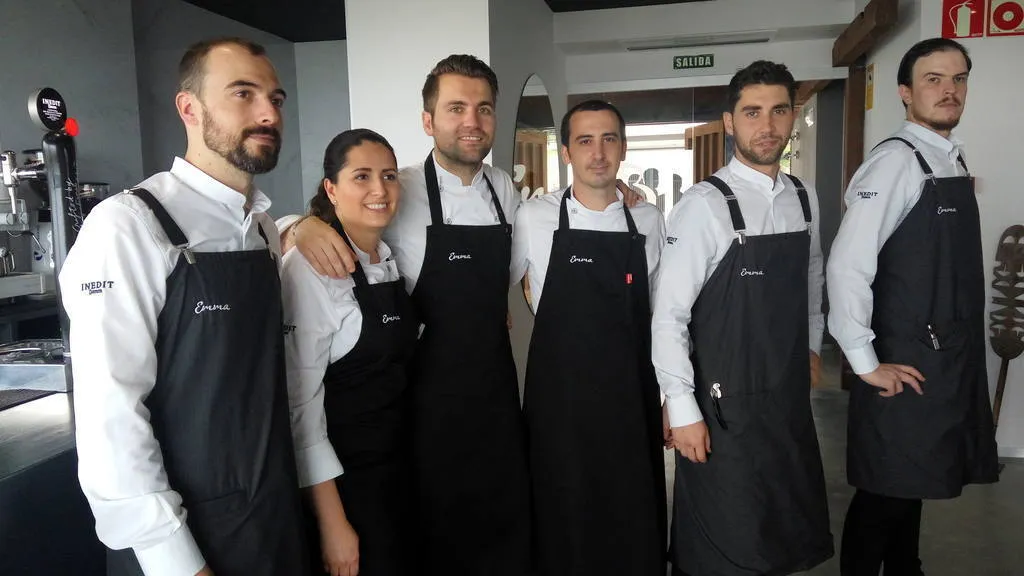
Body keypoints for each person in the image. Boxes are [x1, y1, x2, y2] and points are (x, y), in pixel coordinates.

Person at [59, 38, 308, 576]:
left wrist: (301, 224)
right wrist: (175, 560)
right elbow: (111, 418)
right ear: (189, 108)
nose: (268, 113)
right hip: (185, 541)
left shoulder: (262, 227)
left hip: (270, 514)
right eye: (243, 93)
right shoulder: (129, 225)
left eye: (276, 98)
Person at [289, 54, 532, 575]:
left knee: (502, 530)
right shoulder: (396, 187)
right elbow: (340, 216)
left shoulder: (505, 190)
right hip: (421, 404)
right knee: (433, 538)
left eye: (484, 109)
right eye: (456, 108)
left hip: (493, 395)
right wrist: (300, 225)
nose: (472, 122)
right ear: (429, 121)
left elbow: (514, 274)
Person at [651, 60, 833, 576]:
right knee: (725, 539)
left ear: (793, 116)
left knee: (780, 527)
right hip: (721, 408)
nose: (768, 125)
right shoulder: (703, 207)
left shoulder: (803, 197)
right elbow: (668, 317)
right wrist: (682, 407)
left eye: (779, 110)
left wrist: (814, 344)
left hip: (785, 398)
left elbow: (812, 278)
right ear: (730, 122)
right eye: (752, 112)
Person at [827, 38, 999, 576]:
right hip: (902, 359)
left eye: (959, 79)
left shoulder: (947, 156)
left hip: (942, 354)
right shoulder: (893, 165)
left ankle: (907, 569)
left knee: (911, 484)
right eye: (933, 79)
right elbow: (846, 266)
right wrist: (863, 362)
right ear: (904, 93)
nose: (949, 90)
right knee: (885, 491)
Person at [513, 100, 667, 576]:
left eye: (608, 139)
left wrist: (672, 398)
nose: (597, 153)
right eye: (585, 141)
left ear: (622, 149)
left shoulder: (649, 221)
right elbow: (486, 285)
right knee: (564, 522)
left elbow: (664, 318)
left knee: (630, 519)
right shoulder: (533, 218)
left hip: (629, 400)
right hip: (559, 406)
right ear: (566, 152)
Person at [282, 129, 417, 576]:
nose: (380, 190)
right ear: (331, 190)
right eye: (362, 176)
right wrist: (333, 524)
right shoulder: (307, 269)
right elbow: (301, 408)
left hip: (397, 473)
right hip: (345, 487)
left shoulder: (386, 256)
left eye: (389, 176)